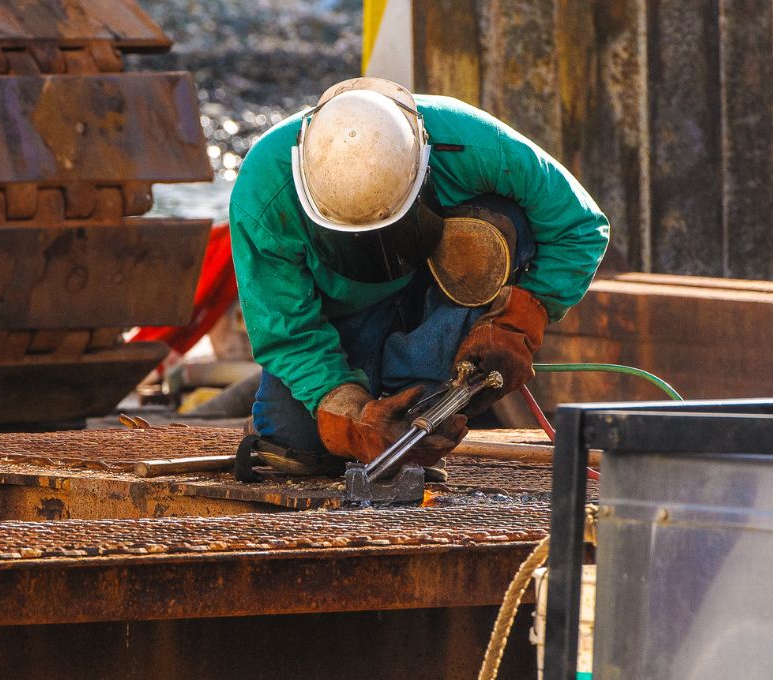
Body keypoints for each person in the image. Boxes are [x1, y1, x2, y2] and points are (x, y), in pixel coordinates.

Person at [228, 77, 609, 480]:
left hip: (442, 290)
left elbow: (579, 226)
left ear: (421, 170)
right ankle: (379, 408)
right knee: (298, 443)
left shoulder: (471, 142)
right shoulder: (264, 195)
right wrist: (350, 413)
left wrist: (519, 320)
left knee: (504, 220)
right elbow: (288, 332)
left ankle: (421, 390)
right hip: (340, 318)